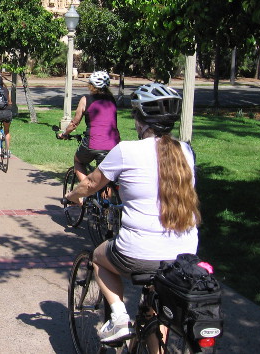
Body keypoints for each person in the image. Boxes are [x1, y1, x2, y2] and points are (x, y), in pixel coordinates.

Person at [65, 83, 200, 344]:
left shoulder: (127, 150)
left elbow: (91, 184)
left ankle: (118, 318)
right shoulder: (186, 151)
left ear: (140, 120)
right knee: (154, 305)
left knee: (97, 257)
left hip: (137, 252)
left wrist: (72, 196)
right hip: (184, 255)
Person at [57, 71, 121, 198]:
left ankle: (87, 189)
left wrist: (64, 134)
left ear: (91, 85)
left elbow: (75, 123)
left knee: (78, 161)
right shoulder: (112, 100)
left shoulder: (86, 100)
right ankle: (105, 211)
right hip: (113, 144)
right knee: (107, 178)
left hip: (93, 143)